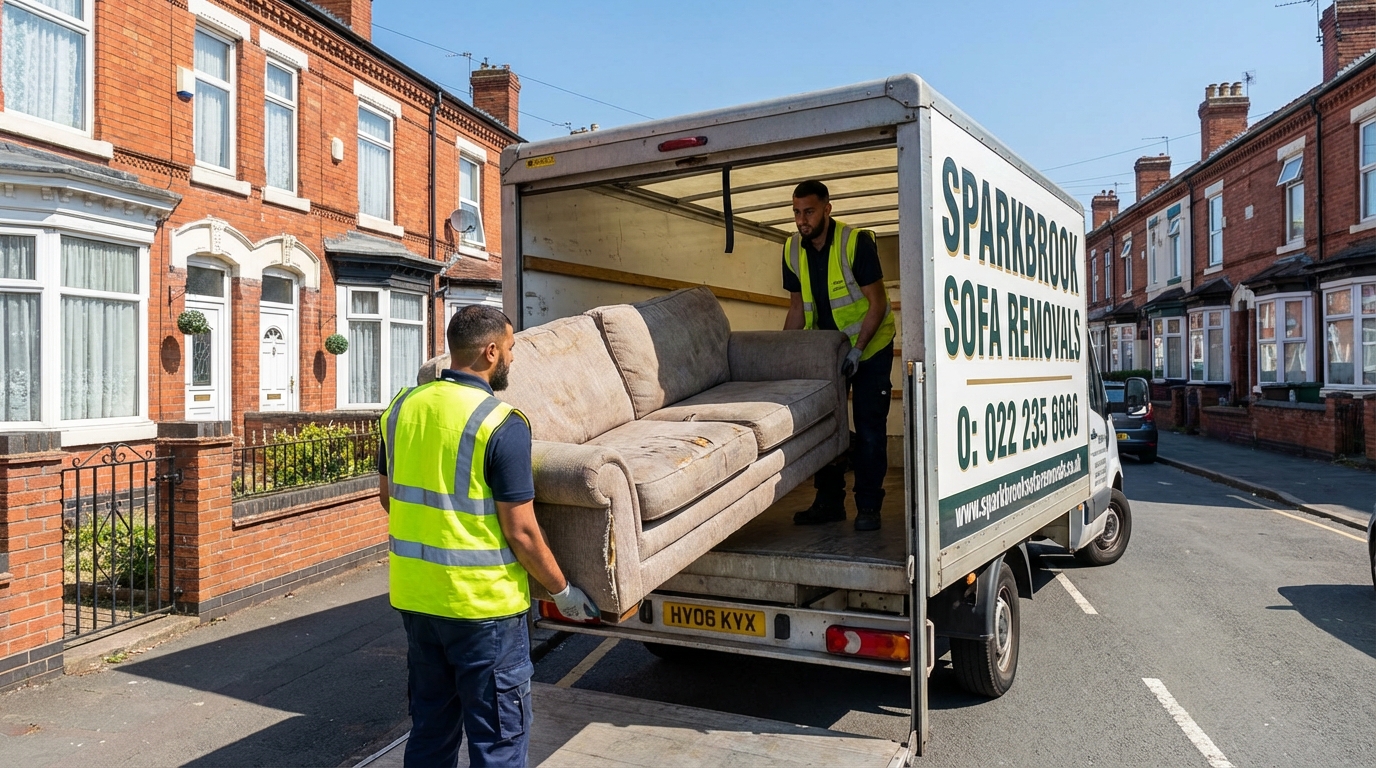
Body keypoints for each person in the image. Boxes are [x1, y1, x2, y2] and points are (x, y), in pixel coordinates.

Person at [377, 305, 597, 768]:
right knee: (498, 742)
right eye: (512, 349)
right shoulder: (501, 423)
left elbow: (388, 498)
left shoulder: (401, 408)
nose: (513, 360)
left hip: (417, 602)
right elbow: (521, 530)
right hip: (484, 612)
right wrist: (562, 590)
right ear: (491, 351)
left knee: (431, 733)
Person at [783, 179, 896, 531]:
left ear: (827, 210)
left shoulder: (855, 243)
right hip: (826, 352)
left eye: (810, 212)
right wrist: (780, 356)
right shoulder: (791, 249)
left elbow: (877, 304)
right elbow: (798, 309)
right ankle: (829, 502)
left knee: (869, 425)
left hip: (871, 346)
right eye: (797, 212)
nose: (802, 220)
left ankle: (868, 507)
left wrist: (859, 349)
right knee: (824, 426)